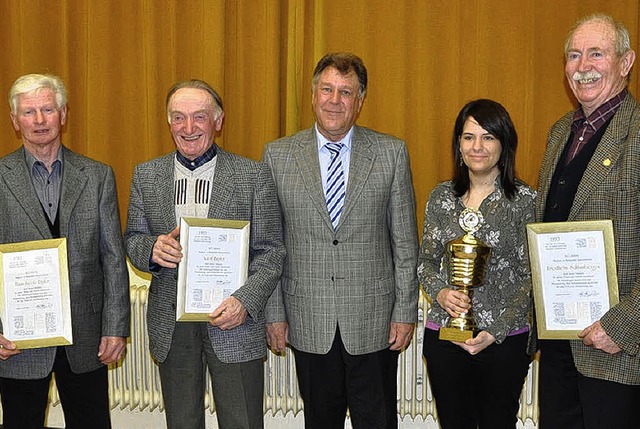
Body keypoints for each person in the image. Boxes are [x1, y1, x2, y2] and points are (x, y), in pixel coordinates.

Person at [263, 52, 419, 429]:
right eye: (327, 89)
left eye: (345, 92)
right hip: (308, 318)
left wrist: (405, 310)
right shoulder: (278, 155)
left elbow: (405, 243)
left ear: (360, 100)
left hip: (374, 319)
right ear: (313, 94)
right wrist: (274, 313)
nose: (335, 100)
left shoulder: (390, 153)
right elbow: (269, 244)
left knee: (378, 421)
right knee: (320, 420)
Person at [125, 79, 285, 429]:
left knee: (242, 421)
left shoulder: (253, 175)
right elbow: (133, 240)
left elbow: (271, 252)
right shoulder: (146, 175)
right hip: (172, 320)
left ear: (218, 121)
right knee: (182, 422)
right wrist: (151, 249)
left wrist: (245, 301)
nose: (189, 127)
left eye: (200, 116)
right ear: (169, 123)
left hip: (234, 319)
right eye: (179, 117)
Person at [0, 74, 130, 429]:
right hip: (17, 340)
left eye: (47, 109)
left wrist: (116, 327)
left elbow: (113, 259)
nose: (39, 120)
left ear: (64, 114)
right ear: (15, 120)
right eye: (29, 112)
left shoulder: (98, 175)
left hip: (86, 338)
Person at [534, 13, 640, 429]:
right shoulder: (560, 131)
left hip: (618, 351)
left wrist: (623, 326)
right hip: (560, 347)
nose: (582, 66)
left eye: (596, 54)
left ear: (626, 62)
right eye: (574, 55)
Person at [418, 99, 535, 429]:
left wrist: (493, 333)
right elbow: (425, 261)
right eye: (468, 137)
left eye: (488, 137)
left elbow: (532, 278)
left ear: (504, 143)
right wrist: (441, 293)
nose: (477, 147)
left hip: (505, 339)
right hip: (446, 337)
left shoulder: (526, 201)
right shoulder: (441, 197)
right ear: (458, 144)